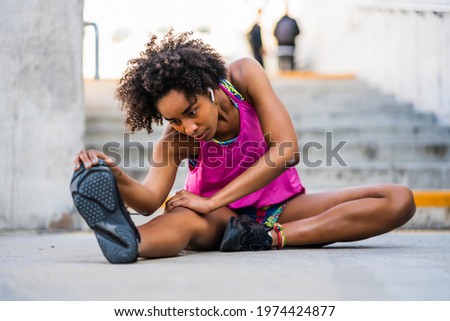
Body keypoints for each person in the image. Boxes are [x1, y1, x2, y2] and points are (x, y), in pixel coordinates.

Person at [70, 30, 416, 264]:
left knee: (398, 199)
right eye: (174, 120)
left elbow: (286, 150)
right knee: (183, 220)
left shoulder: (243, 77)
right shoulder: (177, 142)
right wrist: (115, 174)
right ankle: (129, 241)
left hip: (283, 207)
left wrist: (212, 198)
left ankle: (268, 237)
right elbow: (148, 201)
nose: (188, 127)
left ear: (206, 86)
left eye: (192, 112)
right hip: (223, 223)